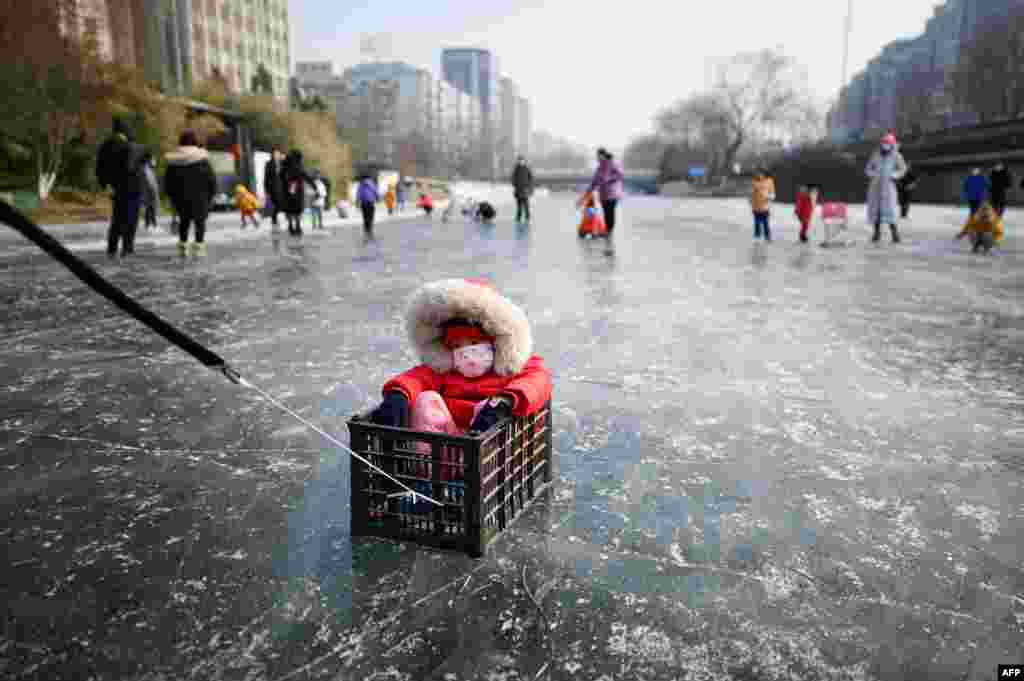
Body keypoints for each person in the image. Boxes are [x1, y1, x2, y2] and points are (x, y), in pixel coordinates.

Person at [369, 278, 553, 483]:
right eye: (457, 345)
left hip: (493, 451)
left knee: (488, 414)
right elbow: (416, 378)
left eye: (474, 343)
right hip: (452, 445)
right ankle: (432, 478)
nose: (466, 352)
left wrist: (504, 402)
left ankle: (475, 482)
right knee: (426, 400)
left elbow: (537, 381)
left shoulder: (515, 367)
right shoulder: (445, 370)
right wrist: (398, 394)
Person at [95, 117, 147, 258]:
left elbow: (99, 169)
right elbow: (140, 168)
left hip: (116, 188)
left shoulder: (104, 146)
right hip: (133, 188)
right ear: (126, 131)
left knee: (117, 217)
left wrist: (105, 185)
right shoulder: (132, 146)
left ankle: (112, 248)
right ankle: (127, 248)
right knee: (131, 218)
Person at [164, 130, 217, 257]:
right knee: (200, 222)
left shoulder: (174, 161)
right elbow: (211, 179)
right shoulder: (202, 159)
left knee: (184, 221)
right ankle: (199, 248)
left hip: (181, 198)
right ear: (194, 141)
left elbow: (168, 181)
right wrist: (212, 194)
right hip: (200, 197)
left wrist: (171, 196)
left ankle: (183, 247)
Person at [577, 148, 624, 254]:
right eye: (596, 156)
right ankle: (608, 237)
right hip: (603, 195)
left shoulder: (613, 163)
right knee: (607, 215)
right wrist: (582, 198)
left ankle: (609, 235)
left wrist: (609, 179)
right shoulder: (599, 168)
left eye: (598, 156)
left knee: (610, 213)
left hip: (613, 194)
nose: (597, 158)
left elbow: (620, 175)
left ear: (603, 155)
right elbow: (593, 184)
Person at [865, 133, 908, 244]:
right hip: (875, 187)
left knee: (890, 211)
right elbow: (868, 168)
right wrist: (872, 174)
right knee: (876, 211)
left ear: (892, 144)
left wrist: (894, 175)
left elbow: (903, 169)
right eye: (884, 142)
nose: (885, 144)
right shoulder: (876, 154)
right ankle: (876, 234)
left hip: (888, 187)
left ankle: (895, 234)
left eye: (887, 143)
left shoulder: (896, 156)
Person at [281, 150, 317, 236]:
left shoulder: (284, 166)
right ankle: (297, 226)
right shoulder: (299, 166)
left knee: (289, 209)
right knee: (297, 210)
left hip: (287, 191)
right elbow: (306, 177)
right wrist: (314, 186)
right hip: (298, 191)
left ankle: (290, 226)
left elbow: (280, 177)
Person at [263, 146, 286, 229]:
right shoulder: (268, 164)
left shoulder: (282, 163)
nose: (276, 155)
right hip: (272, 188)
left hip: (282, 187)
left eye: (278, 153)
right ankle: (274, 220)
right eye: (275, 153)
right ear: (272, 154)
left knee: (281, 204)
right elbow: (266, 177)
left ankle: (285, 218)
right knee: (274, 205)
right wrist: (266, 190)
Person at [750, 169, 776, 241]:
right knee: (757, 222)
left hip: (765, 206)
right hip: (756, 206)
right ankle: (757, 236)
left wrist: (769, 197)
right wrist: (751, 201)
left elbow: (772, 193)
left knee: (765, 222)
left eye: (761, 174)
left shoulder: (769, 181)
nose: (759, 175)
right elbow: (752, 194)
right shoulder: (754, 182)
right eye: (758, 174)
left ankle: (767, 236)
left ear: (764, 174)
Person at [511, 156, 534, 223]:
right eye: (519, 160)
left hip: (525, 190)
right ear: (518, 161)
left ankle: (527, 217)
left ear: (524, 161)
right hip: (518, 190)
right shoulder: (516, 169)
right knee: (519, 206)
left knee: (526, 205)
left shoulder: (527, 168)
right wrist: (515, 185)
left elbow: (531, 178)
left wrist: (530, 187)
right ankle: (518, 217)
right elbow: (513, 178)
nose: (521, 162)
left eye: (522, 160)